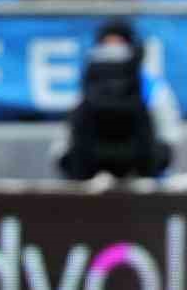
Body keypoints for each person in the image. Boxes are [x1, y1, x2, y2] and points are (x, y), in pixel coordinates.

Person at [55, 21, 180, 180]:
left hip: (141, 176)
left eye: (119, 44)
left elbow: (169, 135)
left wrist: (156, 160)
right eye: (107, 44)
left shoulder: (152, 87)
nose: (113, 51)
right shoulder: (87, 87)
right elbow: (66, 138)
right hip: (93, 176)